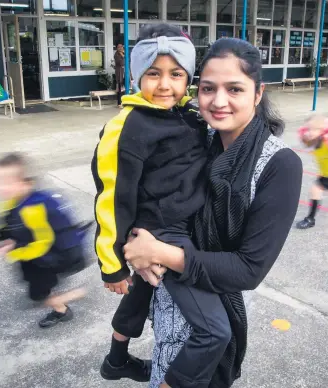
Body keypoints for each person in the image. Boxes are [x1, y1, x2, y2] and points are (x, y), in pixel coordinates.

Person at [121, 38, 303, 388]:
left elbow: (248, 269)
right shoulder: (191, 137)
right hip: (166, 304)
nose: (219, 102)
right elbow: (141, 192)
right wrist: (138, 242)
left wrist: (157, 252)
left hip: (210, 328)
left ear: (258, 92)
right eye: (208, 88)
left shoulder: (279, 165)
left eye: (234, 88)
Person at [93, 24, 234, 387]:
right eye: (153, 73)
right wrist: (112, 265)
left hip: (184, 224)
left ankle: (115, 360)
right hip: (163, 231)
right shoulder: (128, 125)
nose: (164, 85)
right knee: (215, 330)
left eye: (176, 74)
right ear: (138, 74)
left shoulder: (186, 114)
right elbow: (111, 197)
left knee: (143, 292)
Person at [0, 152, 90, 328]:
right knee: (35, 290)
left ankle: (74, 296)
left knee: (38, 295)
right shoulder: (13, 201)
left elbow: (44, 244)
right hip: (36, 257)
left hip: (58, 256)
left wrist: (12, 250)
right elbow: (0, 225)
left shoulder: (36, 207)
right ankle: (61, 308)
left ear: (25, 182)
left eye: (6, 183)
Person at [114, 43, 125, 108]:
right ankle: (119, 103)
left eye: (121, 46)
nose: (120, 48)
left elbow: (128, 60)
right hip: (119, 73)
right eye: (119, 47)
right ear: (117, 48)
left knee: (126, 88)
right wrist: (123, 56)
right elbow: (121, 63)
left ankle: (125, 101)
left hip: (125, 73)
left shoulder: (124, 53)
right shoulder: (116, 55)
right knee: (120, 88)